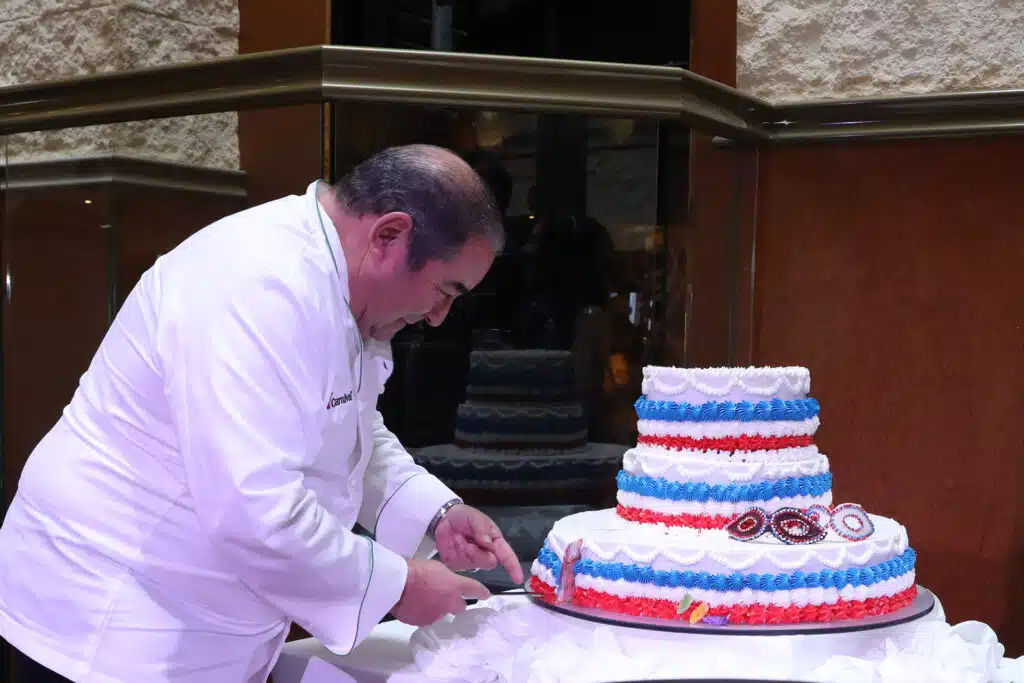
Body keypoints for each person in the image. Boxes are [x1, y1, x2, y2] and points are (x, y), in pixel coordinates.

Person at [0, 144, 524, 683]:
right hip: (111, 622)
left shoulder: (340, 287)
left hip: (206, 624)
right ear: (388, 236)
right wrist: (401, 586)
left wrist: (435, 514)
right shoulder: (253, 284)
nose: (439, 318)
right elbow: (254, 510)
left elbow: (345, 429)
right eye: (445, 290)